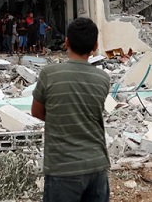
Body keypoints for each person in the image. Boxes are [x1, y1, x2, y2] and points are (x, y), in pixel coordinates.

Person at [32, 18, 110, 202]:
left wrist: (58, 117)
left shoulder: (49, 74)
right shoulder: (103, 78)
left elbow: (36, 112)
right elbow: (89, 111)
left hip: (63, 167)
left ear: (66, 42)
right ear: (95, 45)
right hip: (97, 165)